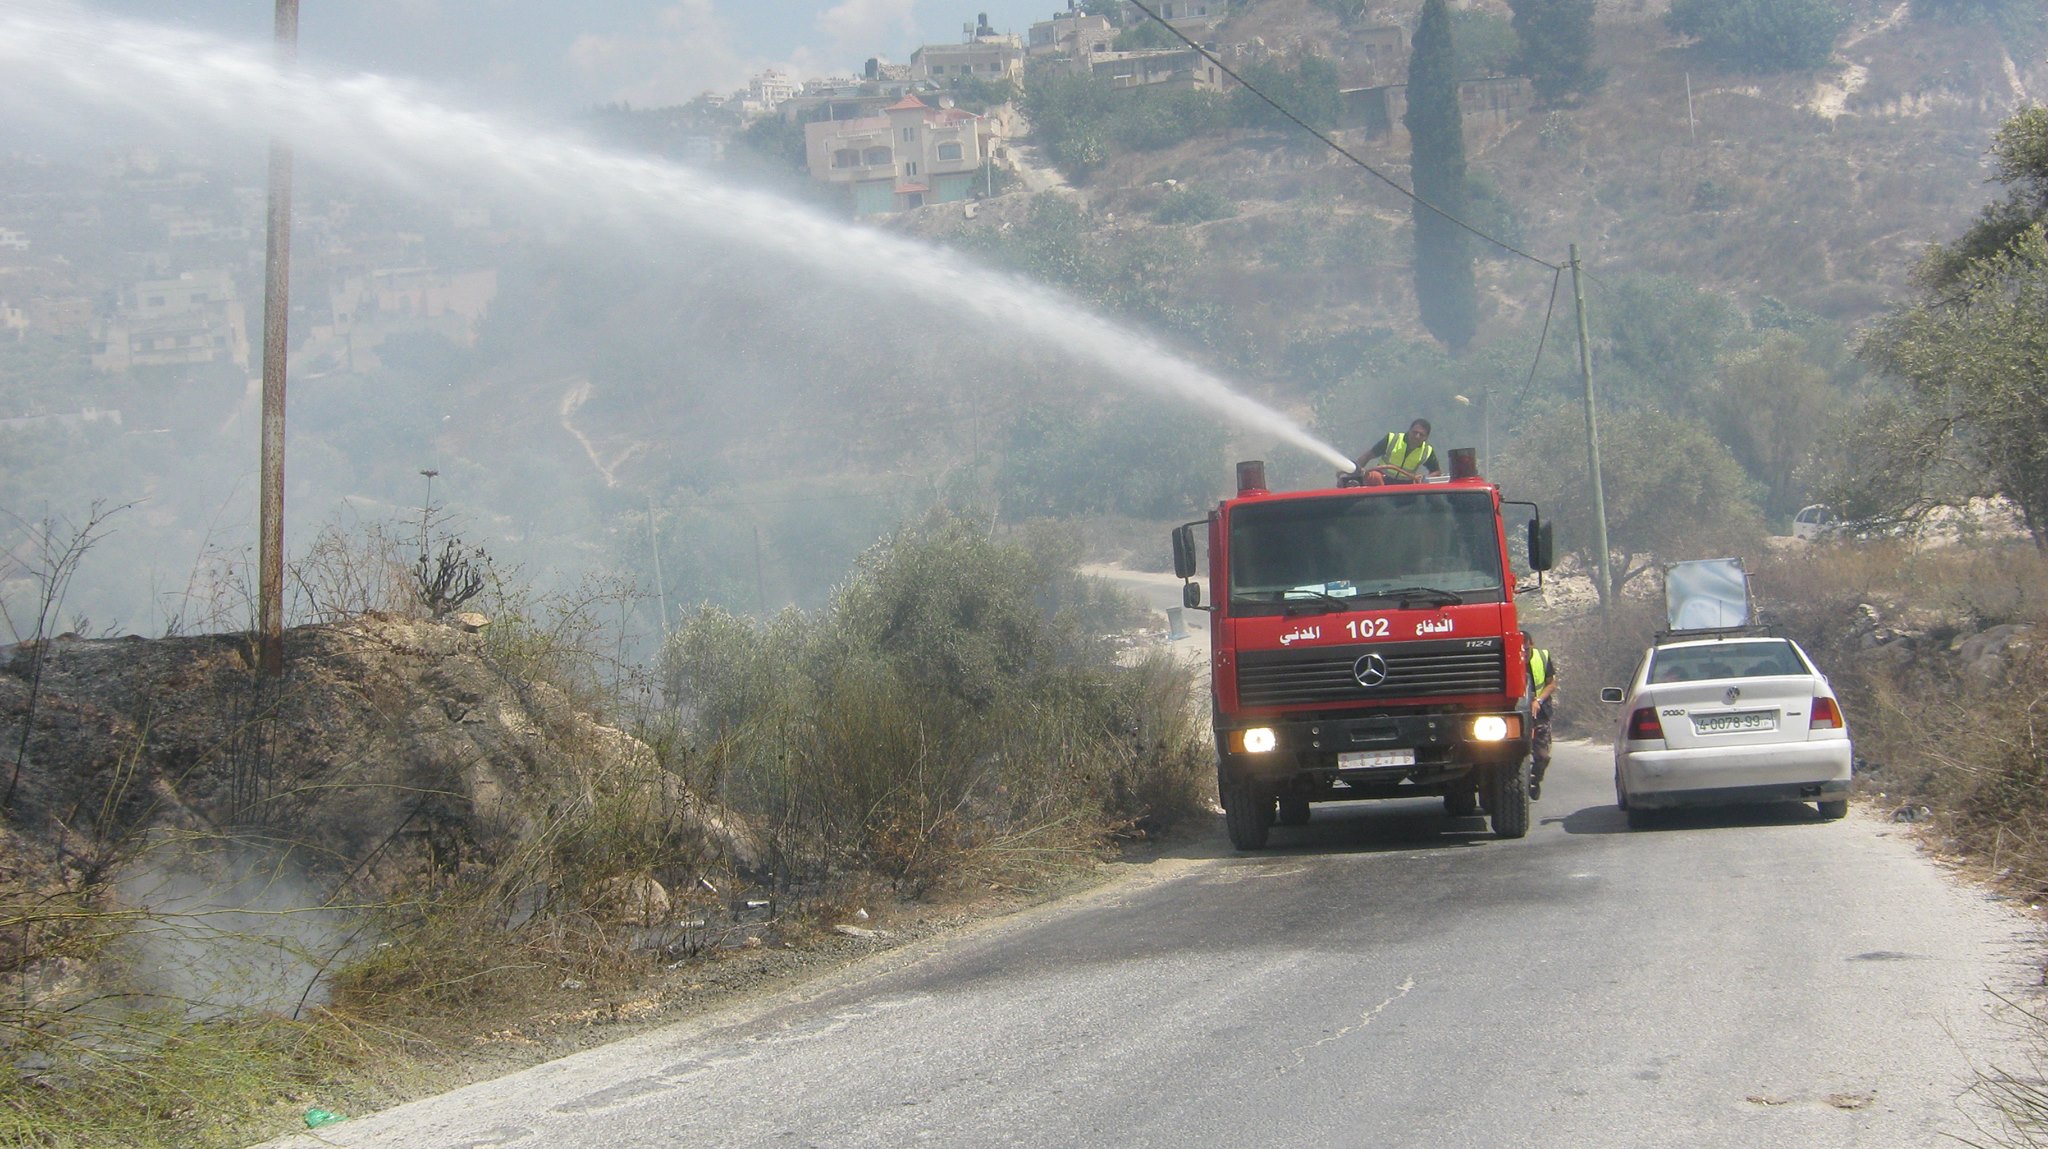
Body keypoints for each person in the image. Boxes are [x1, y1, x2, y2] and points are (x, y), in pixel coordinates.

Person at [1350, 419, 1441, 483]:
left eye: (1421, 434)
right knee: (1373, 476)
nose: (1417, 436)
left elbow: (1436, 471)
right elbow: (1368, 455)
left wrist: (1426, 479)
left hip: (1404, 487)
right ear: (1409, 431)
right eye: (1415, 432)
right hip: (1382, 481)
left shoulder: (1427, 451)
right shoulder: (1392, 439)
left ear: (1426, 437)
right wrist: (1355, 471)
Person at [1525, 632, 1557, 800]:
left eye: (1526, 648)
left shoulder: (1542, 657)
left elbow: (1551, 683)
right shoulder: (1509, 658)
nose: (1524, 652)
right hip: (1519, 715)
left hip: (1540, 713)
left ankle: (1535, 779)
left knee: (1543, 756)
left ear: (1532, 644)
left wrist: (1538, 700)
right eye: (1521, 649)